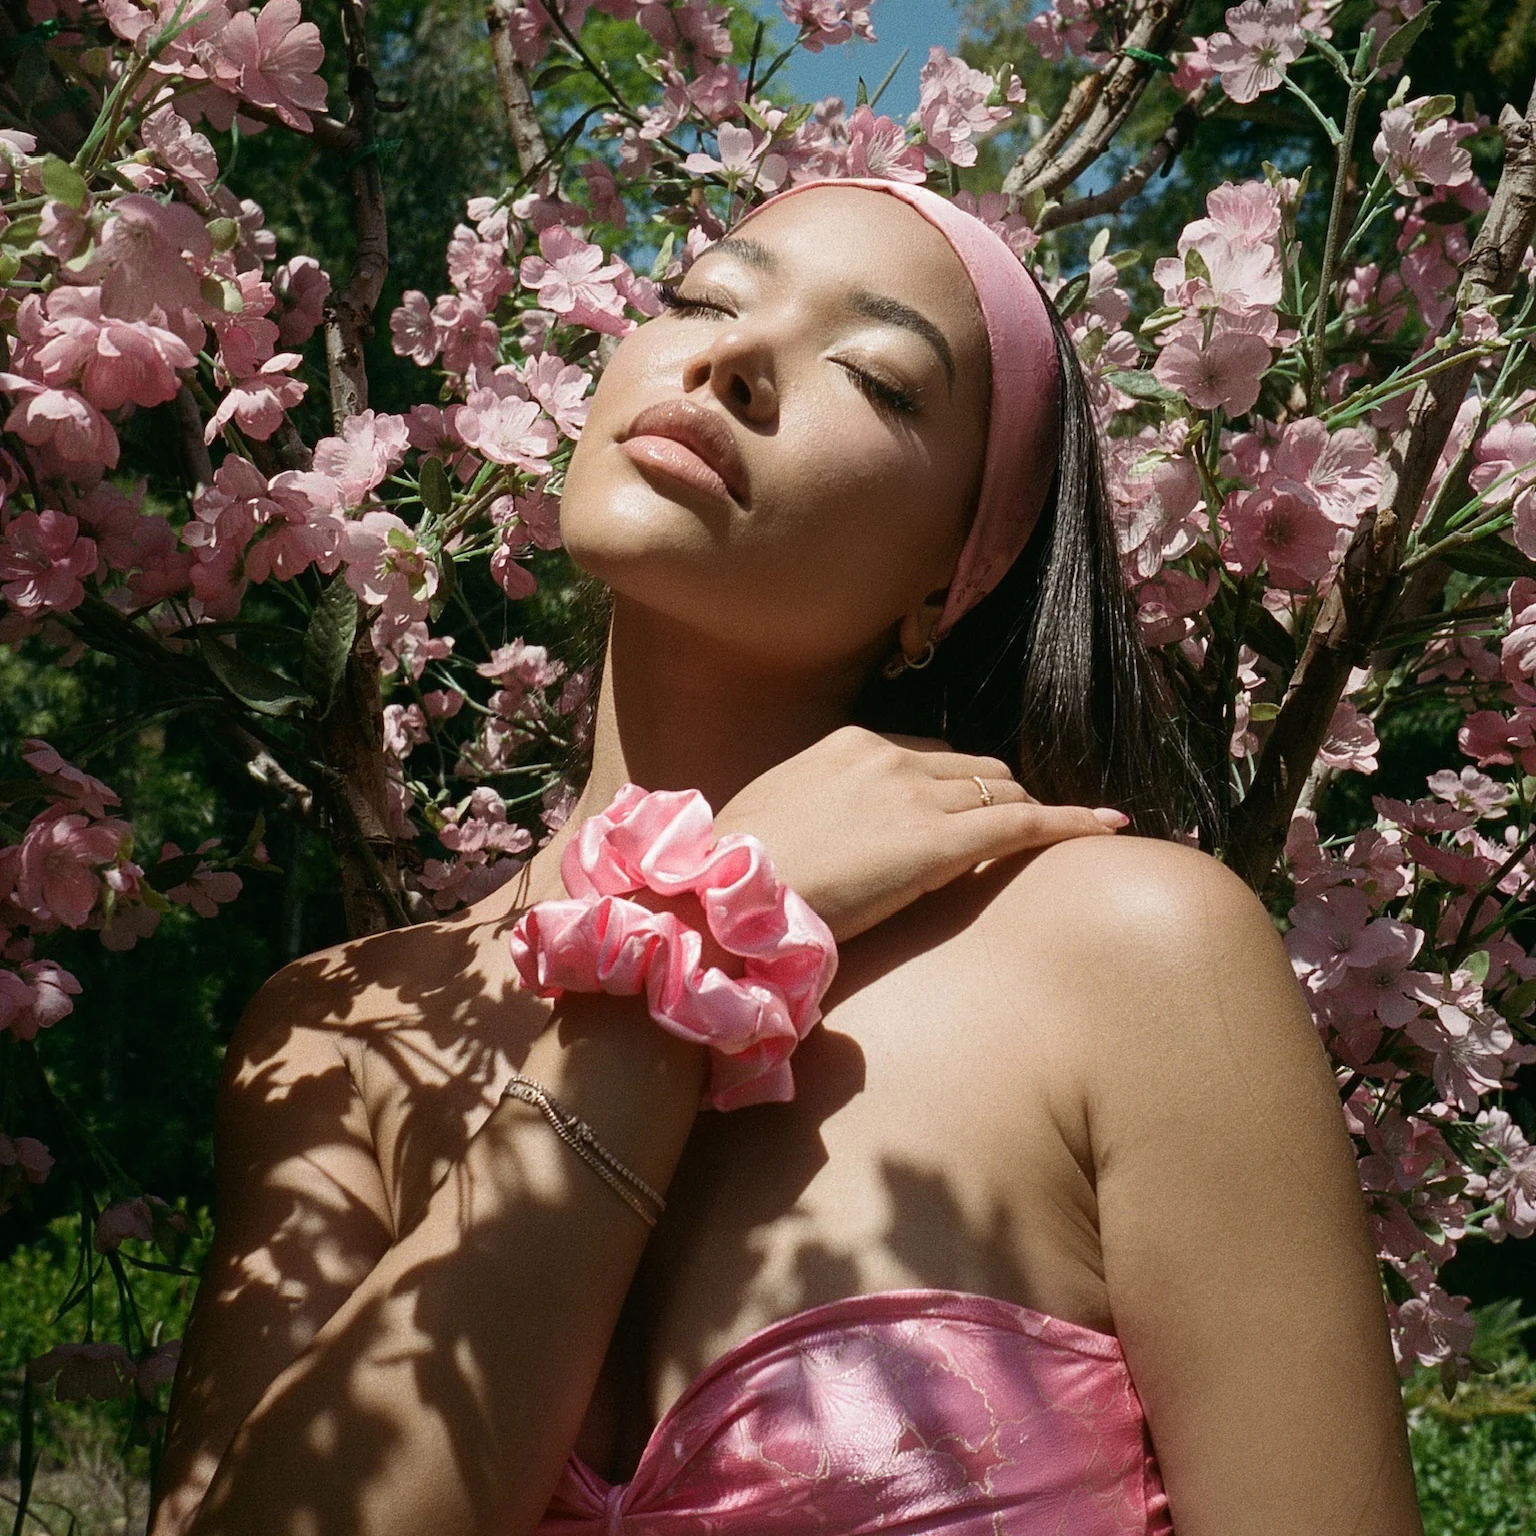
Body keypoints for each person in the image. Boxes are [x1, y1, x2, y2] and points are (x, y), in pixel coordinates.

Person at [149, 180, 1423, 1536]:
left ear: (954, 578)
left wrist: (698, 916)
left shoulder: (1133, 951)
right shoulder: (340, 1033)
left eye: (877, 375)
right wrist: (680, 965)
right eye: (701, 297)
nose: (733, 359)